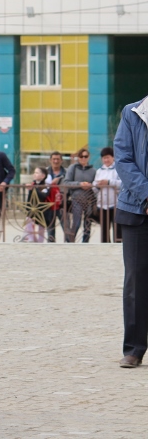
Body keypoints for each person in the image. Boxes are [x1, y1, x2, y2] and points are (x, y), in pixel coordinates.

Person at [113, 97, 148, 368]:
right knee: (135, 280)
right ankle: (134, 348)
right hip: (137, 210)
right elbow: (123, 159)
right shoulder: (133, 113)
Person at [64, 148, 96, 243]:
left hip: (89, 199)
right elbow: (66, 182)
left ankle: (85, 242)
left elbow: (96, 184)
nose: (83, 158)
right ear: (78, 157)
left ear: (88, 157)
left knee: (88, 223)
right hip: (76, 199)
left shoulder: (93, 170)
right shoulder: (73, 168)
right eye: (81, 156)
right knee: (76, 222)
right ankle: (71, 241)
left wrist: (90, 186)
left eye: (85, 156)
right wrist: (80, 184)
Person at [93, 147, 121, 243]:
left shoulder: (118, 169)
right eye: (104, 158)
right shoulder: (99, 171)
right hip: (102, 204)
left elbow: (122, 184)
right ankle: (105, 248)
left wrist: (108, 182)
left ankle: (117, 246)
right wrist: (96, 185)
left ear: (113, 157)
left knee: (117, 229)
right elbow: (94, 187)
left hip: (115, 204)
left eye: (108, 157)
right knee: (104, 229)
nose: (106, 160)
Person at [22, 167, 51, 243]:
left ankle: (40, 242)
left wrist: (34, 189)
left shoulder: (46, 185)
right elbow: (30, 198)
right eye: (34, 172)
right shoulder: (33, 184)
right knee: (28, 221)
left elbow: (44, 196)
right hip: (32, 208)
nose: (34, 174)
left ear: (43, 175)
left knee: (41, 227)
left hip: (42, 209)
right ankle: (31, 239)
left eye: (37, 173)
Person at [45, 151, 66, 242]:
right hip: (49, 204)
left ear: (61, 161)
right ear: (50, 160)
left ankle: (70, 247)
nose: (56, 161)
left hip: (63, 204)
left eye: (58, 159)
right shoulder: (44, 172)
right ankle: (51, 247)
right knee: (50, 230)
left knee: (67, 229)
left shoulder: (67, 172)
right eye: (54, 159)